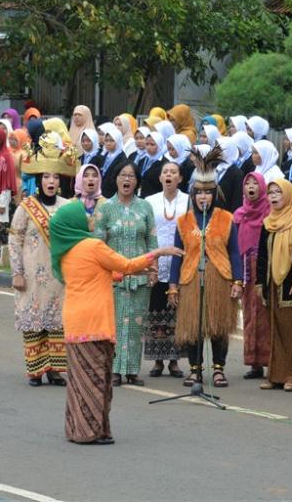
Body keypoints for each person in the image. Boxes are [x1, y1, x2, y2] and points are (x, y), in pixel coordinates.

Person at [53, 202, 180, 445]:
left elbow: (103, 273)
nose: (91, 219)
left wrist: (138, 272)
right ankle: (90, 432)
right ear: (75, 222)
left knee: (80, 381)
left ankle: (77, 428)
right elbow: (125, 264)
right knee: (97, 379)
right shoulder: (93, 246)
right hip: (94, 321)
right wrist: (158, 253)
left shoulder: (66, 251)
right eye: (86, 216)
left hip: (75, 322)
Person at [169, 146, 243, 388]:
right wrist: (172, 285)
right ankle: (195, 369)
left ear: (214, 194)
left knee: (218, 325)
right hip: (191, 279)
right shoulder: (183, 221)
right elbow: (178, 255)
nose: (203, 198)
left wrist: (238, 281)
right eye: (199, 193)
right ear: (193, 195)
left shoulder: (226, 218)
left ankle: (219, 369)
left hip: (220, 277)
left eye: (208, 193)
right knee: (193, 326)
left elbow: (234, 251)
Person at [10, 140, 73, 386]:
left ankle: (55, 369)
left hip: (58, 275)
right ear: (39, 180)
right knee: (34, 321)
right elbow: (15, 240)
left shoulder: (67, 207)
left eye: (55, 177)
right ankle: (35, 370)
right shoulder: (26, 207)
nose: (51, 181)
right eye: (46, 176)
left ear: (60, 182)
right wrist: (17, 272)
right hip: (32, 274)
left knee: (57, 321)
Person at [92, 161, 157, 386]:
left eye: (131, 176)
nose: (126, 179)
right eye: (122, 175)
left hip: (140, 276)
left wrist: (153, 269)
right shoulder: (106, 208)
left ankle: (132, 371)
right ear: (116, 179)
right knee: (116, 324)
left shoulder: (145, 207)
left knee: (136, 324)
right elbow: (97, 244)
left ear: (137, 181)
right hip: (114, 278)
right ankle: (115, 370)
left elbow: (152, 239)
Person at [256, 179, 292, 391]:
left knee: (289, 330)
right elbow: (261, 255)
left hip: (289, 285)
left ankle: (290, 376)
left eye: (278, 192)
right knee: (273, 330)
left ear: (288, 195)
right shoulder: (268, 222)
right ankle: (273, 375)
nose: (274, 196)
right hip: (271, 284)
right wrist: (260, 283)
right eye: (271, 193)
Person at [144, 161, 188, 379]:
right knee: (156, 312)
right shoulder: (149, 201)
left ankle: (174, 360)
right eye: (165, 172)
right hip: (156, 263)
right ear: (160, 177)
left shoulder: (188, 200)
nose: (169, 175)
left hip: (180, 263)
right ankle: (158, 360)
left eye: (173, 172)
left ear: (180, 178)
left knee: (177, 313)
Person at [234, 172, 271, 379]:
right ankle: (254, 363)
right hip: (246, 269)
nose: (251, 186)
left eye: (255, 183)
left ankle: (269, 359)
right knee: (249, 314)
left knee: (265, 315)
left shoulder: (269, 213)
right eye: (247, 183)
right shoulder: (240, 214)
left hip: (264, 269)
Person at [0, 127, 17, 263]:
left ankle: (3, 261)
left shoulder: (5, 157)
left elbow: (6, 182)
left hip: (1, 201)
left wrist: (1, 204)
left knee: (1, 232)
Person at [98, 125, 129, 199]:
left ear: (118, 141)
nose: (108, 143)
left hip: (114, 196)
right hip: (102, 194)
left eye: (112, 141)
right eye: (106, 140)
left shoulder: (122, 159)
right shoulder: (105, 155)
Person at [215, 137, 243, 212]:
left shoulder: (236, 173)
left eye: (219, 149)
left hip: (227, 216)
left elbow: (237, 200)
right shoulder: (215, 167)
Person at [137, 131, 166, 198]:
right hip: (140, 198)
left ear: (159, 145)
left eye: (152, 144)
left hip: (155, 199)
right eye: (147, 144)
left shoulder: (164, 163)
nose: (149, 147)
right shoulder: (143, 160)